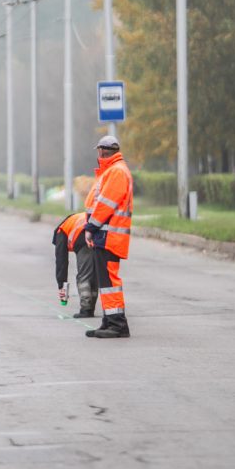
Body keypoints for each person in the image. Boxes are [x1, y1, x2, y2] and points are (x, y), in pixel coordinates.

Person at [83, 135, 134, 339]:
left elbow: (106, 204)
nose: (97, 155)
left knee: (110, 282)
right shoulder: (113, 171)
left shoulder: (116, 171)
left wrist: (91, 227)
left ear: (103, 151)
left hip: (109, 235)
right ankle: (109, 321)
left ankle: (117, 324)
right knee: (106, 282)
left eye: (99, 151)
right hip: (106, 235)